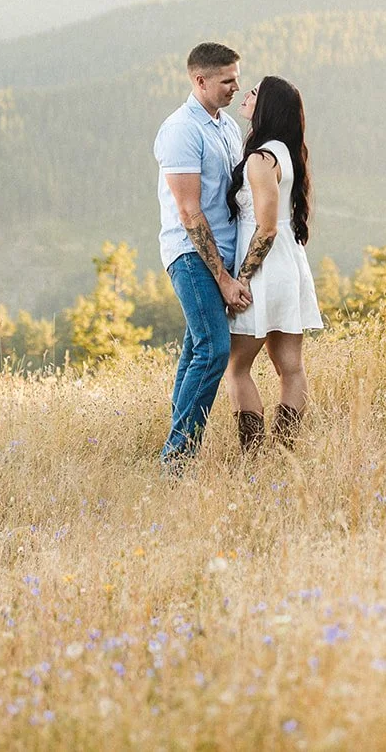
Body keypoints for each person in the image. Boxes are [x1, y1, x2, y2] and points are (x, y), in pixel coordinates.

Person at [153, 42, 252, 468]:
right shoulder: (181, 130)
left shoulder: (227, 126)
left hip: (224, 253)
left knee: (196, 350)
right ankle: (176, 460)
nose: (236, 86)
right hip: (191, 253)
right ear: (200, 81)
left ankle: (174, 450)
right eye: (227, 80)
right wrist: (225, 280)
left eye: (236, 78)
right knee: (214, 349)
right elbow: (189, 211)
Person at [222, 75, 323, 452]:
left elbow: (265, 229)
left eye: (253, 93)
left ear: (266, 107)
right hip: (290, 266)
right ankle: (284, 453)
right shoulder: (287, 152)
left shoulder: (260, 160)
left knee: (236, 368)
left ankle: (253, 455)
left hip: (265, 269)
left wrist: (242, 279)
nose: (245, 96)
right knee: (290, 367)